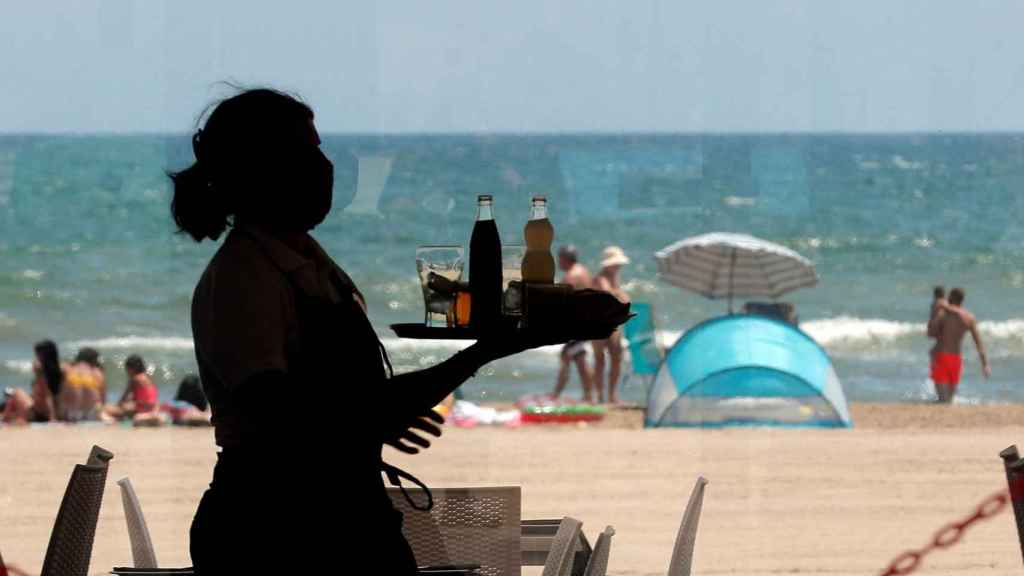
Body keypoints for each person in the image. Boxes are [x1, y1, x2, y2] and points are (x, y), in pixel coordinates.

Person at [170, 88, 576, 574]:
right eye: (308, 150)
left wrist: (381, 410)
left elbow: (334, 406)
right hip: (277, 532)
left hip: (340, 519)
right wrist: (389, 407)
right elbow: (283, 417)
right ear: (264, 167)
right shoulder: (243, 278)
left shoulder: (303, 261)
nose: (325, 166)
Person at [926, 287, 991, 403]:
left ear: (950, 297)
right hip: (956, 360)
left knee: (942, 400)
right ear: (962, 300)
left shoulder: (943, 314)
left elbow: (930, 333)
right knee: (949, 400)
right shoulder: (969, 318)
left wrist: (934, 312)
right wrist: (985, 365)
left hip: (941, 357)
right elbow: (979, 344)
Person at [550, 244, 594, 401]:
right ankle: (588, 396)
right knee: (578, 357)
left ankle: (556, 395)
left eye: (559, 259)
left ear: (564, 259)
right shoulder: (583, 271)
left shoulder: (570, 277)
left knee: (567, 355)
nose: (558, 262)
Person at [592, 246, 631, 404]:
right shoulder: (600, 279)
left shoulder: (613, 278)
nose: (618, 267)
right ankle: (601, 396)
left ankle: (612, 395)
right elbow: (611, 296)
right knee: (600, 361)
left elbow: (623, 299)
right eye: (616, 264)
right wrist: (620, 295)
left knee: (616, 358)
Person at [1, 340, 63, 424]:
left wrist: (52, 418)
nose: (36, 358)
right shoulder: (59, 371)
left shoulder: (42, 373)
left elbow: (48, 395)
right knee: (16, 398)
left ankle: (4, 419)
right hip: (52, 412)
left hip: (39, 414)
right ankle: (10, 417)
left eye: (37, 355)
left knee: (17, 392)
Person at [103, 354, 159, 421]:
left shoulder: (135, 379)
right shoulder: (147, 377)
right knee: (127, 405)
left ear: (131, 368)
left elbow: (123, 398)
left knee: (106, 409)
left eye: (127, 369)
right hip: (153, 408)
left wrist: (117, 407)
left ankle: (116, 419)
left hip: (143, 409)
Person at [61, 347, 106, 421]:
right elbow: (102, 398)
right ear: (94, 360)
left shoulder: (68, 368)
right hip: (92, 413)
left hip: (71, 413)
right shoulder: (97, 372)